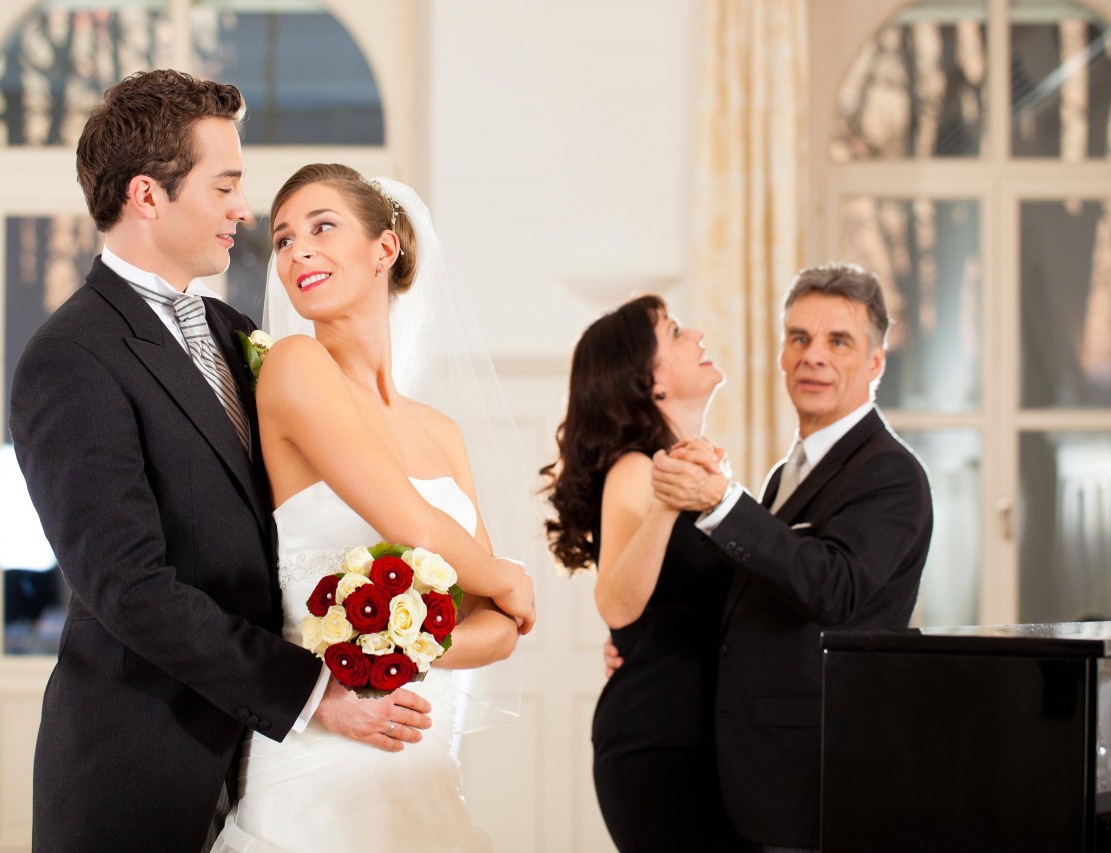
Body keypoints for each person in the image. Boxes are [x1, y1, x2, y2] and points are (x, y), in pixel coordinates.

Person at [10, 73, 457, 852]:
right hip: (142, 769)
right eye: (225, 185)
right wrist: (314, 692)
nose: (243, 210)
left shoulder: (232, 330)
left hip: (272, 772)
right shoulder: (68, 358)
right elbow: (128, 585)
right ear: (148, 196)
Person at [210, 163, 533, 852]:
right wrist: (506, 575)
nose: (298, 252)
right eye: (285, 238)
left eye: (322, 227)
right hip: (319, 753)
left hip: (422, 761)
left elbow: (497, 628)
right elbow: (413, 524)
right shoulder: (295, 367)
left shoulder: (440, 431)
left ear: (384, 249)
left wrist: (402, 652)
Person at [642, 262, 935, 852]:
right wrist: (647, 640)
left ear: (875, 363)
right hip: (752, 773)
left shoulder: (893, 476)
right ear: (781, 354)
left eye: (838, 341)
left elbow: (833, 587)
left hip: (817, 775)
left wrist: (725, 502)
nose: (813, 356)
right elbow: (752, 597)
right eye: (799, 338)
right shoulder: (787, 473)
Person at [539, 296, 743, 851]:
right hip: (660, 742)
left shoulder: (686, 471)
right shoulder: (637, 468)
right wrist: (670, 500)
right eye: (676, 332)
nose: (698, 334)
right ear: (649, 383)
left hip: (705, 740)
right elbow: (617, 604)